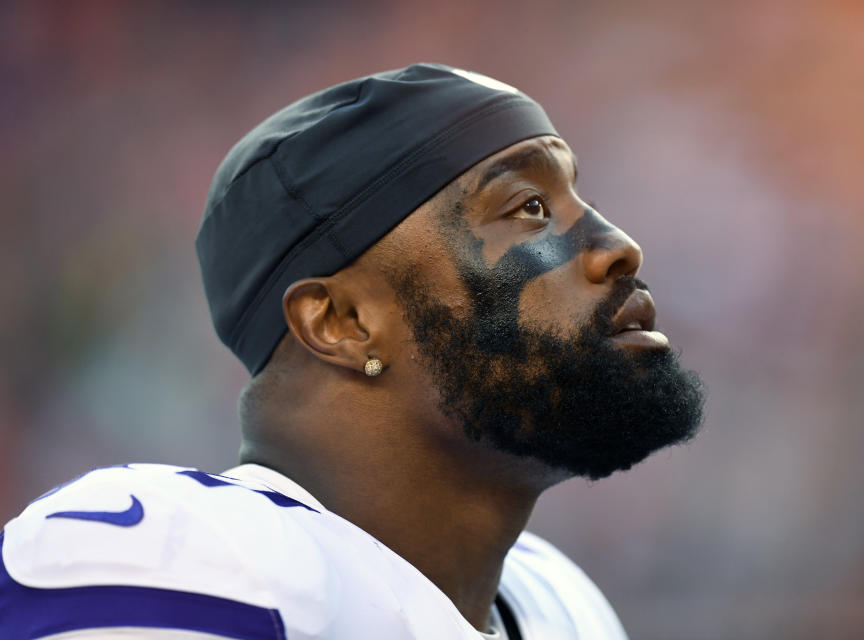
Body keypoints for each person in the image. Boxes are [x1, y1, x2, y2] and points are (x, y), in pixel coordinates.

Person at [0, 64, 704, 639]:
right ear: (341, 321)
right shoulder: (179, 559)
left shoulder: (560, 606)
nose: (618, 247)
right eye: (529, 208)